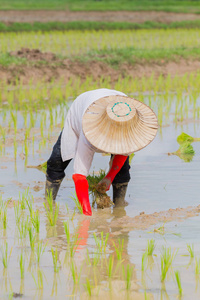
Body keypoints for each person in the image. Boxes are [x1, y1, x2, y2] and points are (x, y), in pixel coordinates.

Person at [45, 88, 158, 216]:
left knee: (123, 171)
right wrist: (87, 214)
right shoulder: (88, 129)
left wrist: (108, 178)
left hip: (118, 110)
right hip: (83, 109)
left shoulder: (128, 120)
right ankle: (49, 203)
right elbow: (79, 175)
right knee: (56, 163)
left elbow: (123, 153)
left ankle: (119, 207)